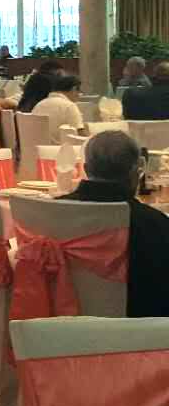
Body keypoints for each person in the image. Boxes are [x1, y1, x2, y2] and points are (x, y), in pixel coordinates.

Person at [59, 131, 169, 317]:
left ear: (85, 169)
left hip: (59, 328)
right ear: (137, 171)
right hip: (138, 334)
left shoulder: (53, 212)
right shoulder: (155, 225)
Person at [32, 73, 85, 143]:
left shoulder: (39, 105)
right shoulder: (69, 106)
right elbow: (80, 136)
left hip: (38, 150)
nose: (79, 95)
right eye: (80, 91)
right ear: (74, 89)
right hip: (63, 151)